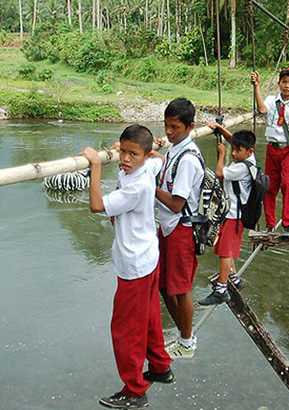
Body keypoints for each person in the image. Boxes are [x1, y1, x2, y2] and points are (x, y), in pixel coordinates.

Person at [80, 125, 174, 410]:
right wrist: (140, 148)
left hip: (134, 265)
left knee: (126, 330)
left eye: (134, 154)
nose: (126, 159)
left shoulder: (136, 185)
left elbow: (97, 205)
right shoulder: (149, 167)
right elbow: (162, 158)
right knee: (149, 318)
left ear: (143, 157)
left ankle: (134, 390)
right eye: (123, 152)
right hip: (148, 258)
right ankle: (160, 366)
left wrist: (96, 164)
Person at [153, 98, 203, 359]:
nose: (169, 132)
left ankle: (186, 342)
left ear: (190, 127)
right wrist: (154, 157)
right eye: (166, 126)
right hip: (169, 228)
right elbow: (168, 165)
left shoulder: (189, 160)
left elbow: (175, 203)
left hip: (181, 229)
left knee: (181, 288)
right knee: (164, 285)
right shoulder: (176, 149)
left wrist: (149, 186)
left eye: (175, 127)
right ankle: (184, 332)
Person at [198, 123, 256, 305]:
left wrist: (221, 155)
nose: (233, 153)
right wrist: (221, 130)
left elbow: (219, 173)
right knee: (223, 247)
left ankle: (221, 288)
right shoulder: (250, 159)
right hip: (231, 213)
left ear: (249, 151)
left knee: (225, 252)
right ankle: (234, 278)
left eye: (238, 150)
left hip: (234, 216)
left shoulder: (241, 167)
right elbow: (236, 142)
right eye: (233, 149)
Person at [251, 67, 289, 234]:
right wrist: (256, 86)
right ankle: (270, 224)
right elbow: (262, 110)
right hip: (273, 149)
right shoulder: (272, 101)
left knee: (287, 185)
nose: (287, 86)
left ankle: (287, 224)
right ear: (279, 83)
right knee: (270, 188)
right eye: (284, 82)